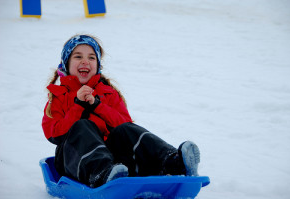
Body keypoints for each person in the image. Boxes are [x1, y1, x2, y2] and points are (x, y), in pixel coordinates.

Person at [42, 34, 200, 188]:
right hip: (74, 162)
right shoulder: (58, 97)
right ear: (66, 63)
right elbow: (54, 134)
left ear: (97, 65)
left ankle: (173, 162)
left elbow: (125, 125)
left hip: (115, 164)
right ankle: (102, 174)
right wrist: (78, 105)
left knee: (125, 129)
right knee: (83, 126)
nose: (85, 61)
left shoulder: (107, 93)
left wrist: (97, 105)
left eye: (91, 57)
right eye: (78, 57)